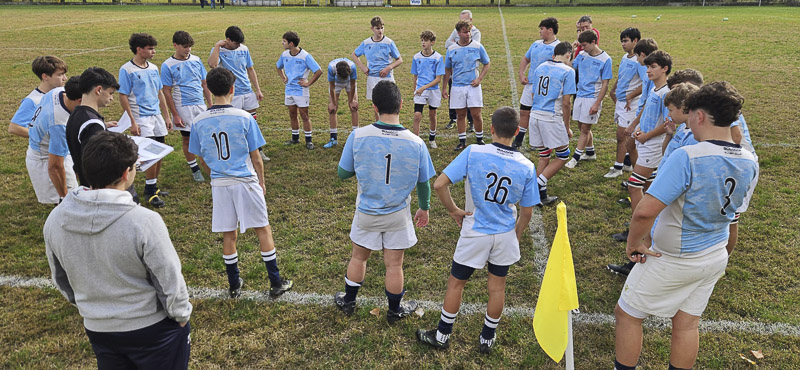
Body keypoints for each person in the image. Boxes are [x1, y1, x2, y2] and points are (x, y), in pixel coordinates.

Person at [614, 81, 757, 370]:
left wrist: (634, 242)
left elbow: (645, 212)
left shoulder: (688, 156)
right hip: (714, 254)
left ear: (699, 116)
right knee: (687, 323)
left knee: (627, 314)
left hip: (676, 257)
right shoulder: (749, 160)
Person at [45, 131, 192, 369]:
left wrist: (90, 308)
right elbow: (169, 279)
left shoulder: (55, 219)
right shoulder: (143, 221)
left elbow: (61, 279)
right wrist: (181, 315)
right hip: (152, 329)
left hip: (99, 328)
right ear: (127, 173)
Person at [416, 107, 538, 354]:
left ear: (491, 129)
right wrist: (516, 235)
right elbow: (527, 212)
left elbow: (439, 184)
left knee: (456, 284)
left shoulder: (474, 152)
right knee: (497, 288)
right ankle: (487, 339)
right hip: (504, 235)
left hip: (475, 232)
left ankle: (442, 335)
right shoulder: (527, 166)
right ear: (516, 132)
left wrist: (453, 210)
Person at [333, 81, 435, 323]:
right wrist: (424, 207)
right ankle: (394, 310)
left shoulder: (358, 136)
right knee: (394, 264)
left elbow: (343, 173)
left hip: (367, 211)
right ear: (401, 105)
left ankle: (348, 301)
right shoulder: (416, 142)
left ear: (374, 108)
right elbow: (424, 182)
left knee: (358, 256)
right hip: (398, 215)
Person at [189, 67, 293, 299]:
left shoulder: (198, 121)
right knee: (262, 229)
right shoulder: (245, 117)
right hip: (246, 181)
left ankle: (234, 284)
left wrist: (213, 175)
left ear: (207, 87)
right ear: (233, 89)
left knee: (229, 234)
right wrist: (262, 182)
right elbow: (256, 158)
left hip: (220, 184)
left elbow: (201, 159)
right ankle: (276, 283)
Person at [119, 33, 172, 208]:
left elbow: (159, 92)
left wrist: (166, 116)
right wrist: (133, 121)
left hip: (156, 116)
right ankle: (150, 191)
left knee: (159, 152)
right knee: (149, 156)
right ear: (139, 49)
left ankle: (153, 185)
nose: (153, 51)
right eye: (150, 48)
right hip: (142, 117)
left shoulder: (153, 68)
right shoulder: (127, 70)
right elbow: (123, 96)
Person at [528, 42, 577, 206]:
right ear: (568, 55)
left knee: (544, 156)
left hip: (534, 115)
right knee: (563, 155)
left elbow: (534, 92)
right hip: (551, 117)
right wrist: (567, 126)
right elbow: (566, 103)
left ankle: (539, 195)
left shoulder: (541, 67)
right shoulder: (568, 71)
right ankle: (537, 184)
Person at [209, 26, 268, 161]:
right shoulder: (218, 50)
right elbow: (212, 65)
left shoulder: (244, 49)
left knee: (252, 123)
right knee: (234, 124)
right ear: (228, 40)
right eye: (236, 43)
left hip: (247, 91)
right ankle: (237, 153)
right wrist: (217, 46)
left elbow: (250, 69)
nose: (238, 45)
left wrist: (257, 89)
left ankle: (258, 151)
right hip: (231, 94)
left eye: (240, 43)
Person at [161, 30, 213, 183]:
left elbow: (204, 84)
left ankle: (208, 164)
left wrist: (210, 104)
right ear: (175, 45)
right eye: (184, 46)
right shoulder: (167, 65)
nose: (188, 49)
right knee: (188, 139)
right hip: (183, 108)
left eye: (189, 46)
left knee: (204, 137)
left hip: (200, 106)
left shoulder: (196, 60)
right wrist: (175, 114)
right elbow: (167, 91)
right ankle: (195, 168)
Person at [26, 76, 81, 204]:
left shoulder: (58, 91)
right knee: (70, 201)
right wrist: (64, 197)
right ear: (79, 100)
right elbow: (55, 166)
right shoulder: (59, 125)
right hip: (44, 158)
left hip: (42, 149)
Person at [66, 67, 120, 190]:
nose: (111, 98)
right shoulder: (93, 124)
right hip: (99, 189)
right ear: (99, 90)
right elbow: (99, 163)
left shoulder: (76, 114)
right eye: (111, 93)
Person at [565, 30, 612, 168]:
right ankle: (590, 152)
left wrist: (597, 103)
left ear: (593, 42)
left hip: (592, 97)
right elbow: (570, 67)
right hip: (580, 95)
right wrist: (573, 52)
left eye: (584, 45)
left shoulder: (605, 59)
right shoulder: (582, 55)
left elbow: (605, 84)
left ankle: (575, 158)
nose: (582, 48)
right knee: (581, 126)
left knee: (585, 129)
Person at [443, 20, 491, 151]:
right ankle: (462, 141)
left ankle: (479, 139)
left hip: (473, 86)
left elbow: (487, 63)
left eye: (469, 31)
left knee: (476, 114)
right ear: (458, 33)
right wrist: (444, 87)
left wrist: (479, 79)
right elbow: (447, 69)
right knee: (461, 115)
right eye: (465, 32)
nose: (468, 34)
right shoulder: (452, 49)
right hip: (457, 87)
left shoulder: (477, 46)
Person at [515, 17, 560, 150]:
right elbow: (525, 59)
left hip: (544, 88)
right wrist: (522, 73)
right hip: (530, 85)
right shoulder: (536, 44)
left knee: (539, 115)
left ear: (550, 30)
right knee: (524, 111)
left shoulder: (557, 47)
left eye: (542, 29)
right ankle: (519, 139)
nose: (540, 32)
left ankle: (540, 142)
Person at [605, 27, 642, 179]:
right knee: (623, 136)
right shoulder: (625, 58)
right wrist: (613, 90)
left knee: (621, 135)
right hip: (621, 102)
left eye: (626, 41)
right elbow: (621, 77)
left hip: (630, 105)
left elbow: (644, 85)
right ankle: (626, 162)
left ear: (635, 41)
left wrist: (630, 96)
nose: (623, 44)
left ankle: (618, 167)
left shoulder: (640, 61)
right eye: (621, 41)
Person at [277, 31, 323, 150]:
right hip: (289, 90)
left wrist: (308, 83)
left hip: (301, 91)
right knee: (292, 114)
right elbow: (278, 67)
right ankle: (295, 138)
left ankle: (309, 140)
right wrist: (283, 78)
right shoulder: (285, 55)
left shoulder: (305, 56)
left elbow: (318, 71)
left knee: (304, 115)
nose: (282, 43)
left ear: (291, 43)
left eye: (284, 41)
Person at [351, 16, 403, 122]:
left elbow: (399, 60)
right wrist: (363, 67)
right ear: (372, 29)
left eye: (382, 27)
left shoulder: (389, 42)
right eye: (378, 28)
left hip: (387, 78)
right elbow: (354, 55)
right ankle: (379, 125)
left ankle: (392, 124)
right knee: (377, 104)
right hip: (372, 78)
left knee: (391, 103)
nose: (380, 30)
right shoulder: (366, 43)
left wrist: (388, 68)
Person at [9, 56, 68, 138]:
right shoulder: (33, 100)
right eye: (60, 75)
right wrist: (43, 136)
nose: (65, 78)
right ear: (45, 76)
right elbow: (14, 128)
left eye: (64, 74)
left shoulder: (63, 91)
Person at [444, 9, 481, 130]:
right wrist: (455, 44)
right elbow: (447, 44)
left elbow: (472, 46)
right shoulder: (456, 30)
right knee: (453, 95)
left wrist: (457, 43)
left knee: (471, 100)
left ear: (471, 20)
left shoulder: (476, 32)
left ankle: (471, 122)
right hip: (456, 72)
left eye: (465, 19)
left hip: (470, 73)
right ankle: (453, 118)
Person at [410, 30, 445, 148]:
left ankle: (432, 138)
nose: (423, 43)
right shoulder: (416, 57)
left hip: (433, 90)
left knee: (432, 114)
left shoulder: (438, 58)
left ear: (432, 42)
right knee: (417, 116)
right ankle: (416, 141)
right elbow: (415, 75)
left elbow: (438, 79)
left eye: (426, 41)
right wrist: (415, 89)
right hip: (420, 90)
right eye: (422, 41)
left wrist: (424, 87)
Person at [324, 57, 359, 148]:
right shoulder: (331, 68)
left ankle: (356, 138)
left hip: (349, 83)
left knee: (354, 107)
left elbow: (353, 84)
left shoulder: (353, 67)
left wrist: (351, 101)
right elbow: (332, 87)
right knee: (332, 109)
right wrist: (333, 103)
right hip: (336, 84)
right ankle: (333, 138)